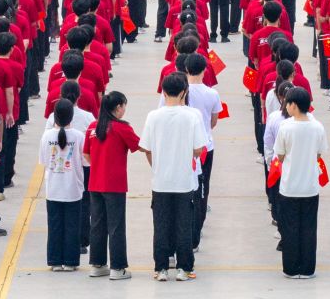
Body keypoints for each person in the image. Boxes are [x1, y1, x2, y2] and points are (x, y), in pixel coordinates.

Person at [143, 72, 210, 280]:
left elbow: (147, 149)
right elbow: (199, 148)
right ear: (184, 92)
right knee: (184, 224)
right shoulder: (192, 116)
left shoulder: (153, 116)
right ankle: (184, 268)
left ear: (163, 92)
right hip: (184, 181)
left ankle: (161, 268)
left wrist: (157, 166)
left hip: (160, 181)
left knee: (161, 225)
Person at [270, 86, 327, 278]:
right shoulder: (317, 127)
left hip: (289, 186)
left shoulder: (286, 127)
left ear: (294, 105)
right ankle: (308, 268)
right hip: (310, 186)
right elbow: (319, 153)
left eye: (287, 103)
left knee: (290, 228)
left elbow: (280, 155)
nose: (286, 106)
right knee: (309, 228)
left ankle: (291, 268)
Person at [86, 91, 140, 279]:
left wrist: (99, 165)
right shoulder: (121, 127)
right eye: (124, 106)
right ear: (118, 107)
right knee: (116, 226)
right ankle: (118, 267)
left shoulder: (93, 127)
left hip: (95, 183)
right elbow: (139, 145)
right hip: (115, 184)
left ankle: (97, 264)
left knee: (97, 224)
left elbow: (86, 153)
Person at [39, 99, 86, 271]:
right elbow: (85, 161)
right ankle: (71, 262)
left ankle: (55, 261)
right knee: (73, 226)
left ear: (55, 116)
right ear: (71, 116)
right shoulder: (79, 136)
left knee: (54, 225)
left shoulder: (47, 136)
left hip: (53, 188)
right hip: (73, 188)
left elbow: (43, 160)